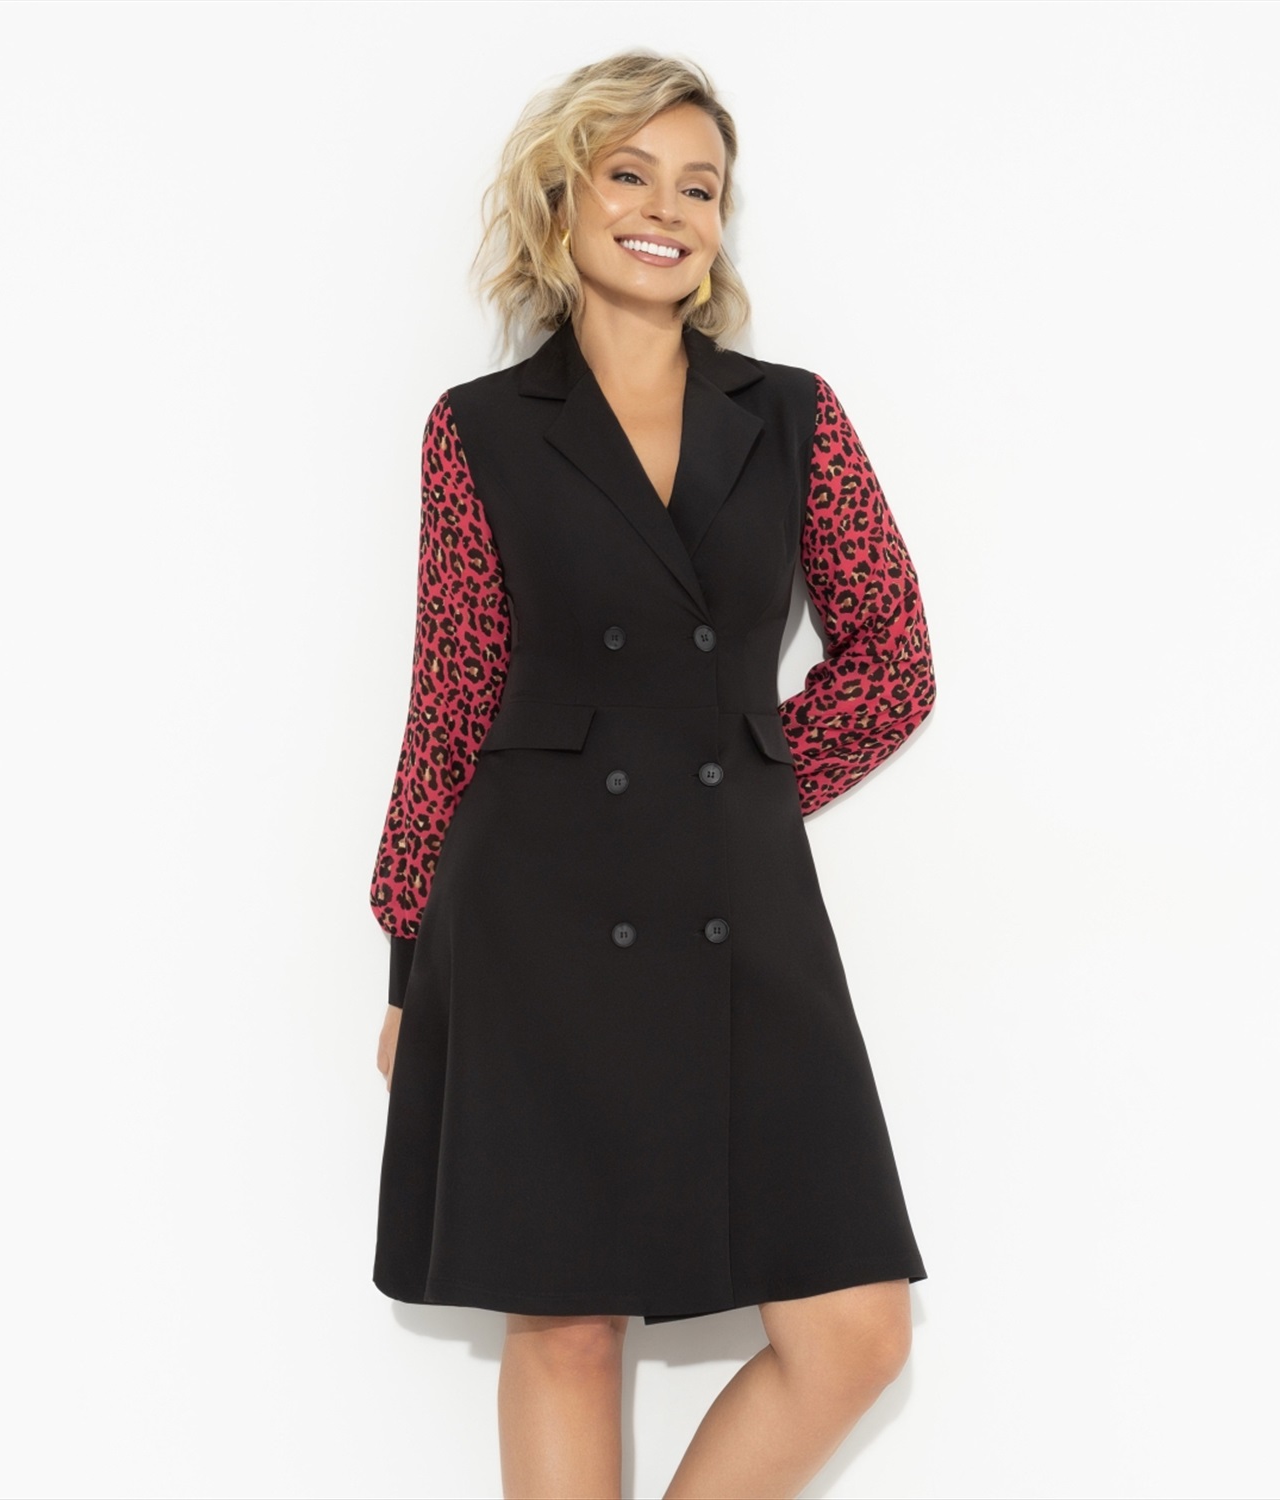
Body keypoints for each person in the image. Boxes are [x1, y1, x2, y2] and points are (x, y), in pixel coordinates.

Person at [368, 50, 938, 1500]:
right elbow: (451, 697)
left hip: (741, 910)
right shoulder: (479, 430)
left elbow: (893, 658)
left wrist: (736, 778)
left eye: (699, 187)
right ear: (562, 200)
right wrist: (406, 957)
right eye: (630, 175)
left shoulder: (792, 415)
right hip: (531, 911)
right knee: (566, 1322)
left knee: (855, 1332)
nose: (666, 210)